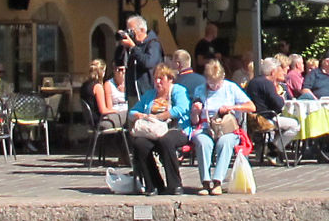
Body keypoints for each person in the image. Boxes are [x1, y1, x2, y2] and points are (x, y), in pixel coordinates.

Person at [189, 59, 254, 194]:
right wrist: (195, 111)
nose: (214, 86)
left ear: (222, 77)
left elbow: (251, 107)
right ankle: (206, 182)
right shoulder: (200, 90)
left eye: (217, 83)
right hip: (206, 127)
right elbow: (194, 121)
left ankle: (218, 181)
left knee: (225, 142)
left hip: (227, 129)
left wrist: (232, 107)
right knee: (202, 142)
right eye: (211, 82)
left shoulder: (231, 88)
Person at [127, 64, 190, 194]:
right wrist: (140, 115)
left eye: (161, 78)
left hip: (175, 129)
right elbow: (132, 112)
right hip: (153, 130)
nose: (157, 82)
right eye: (155, 79)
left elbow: (183, 108)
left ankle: (175, 184)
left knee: (166, 141)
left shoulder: (178, 90)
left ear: (170, 79)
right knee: (140, 143)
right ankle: (154, 185)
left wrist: (160, 116)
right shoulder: (150, 95)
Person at [246, 60, 300, 159]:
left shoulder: (252, 82)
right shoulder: (267, 83)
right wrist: (281, 98)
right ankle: (273, 150)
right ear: (273, 72)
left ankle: (271, 147)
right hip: (266, 119)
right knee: (295, 125)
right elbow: (279, 104)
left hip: (252, 118)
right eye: (279, 70)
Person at [120, 14, 163, 100]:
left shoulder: (153, 44)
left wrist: (133, 47)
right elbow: (119, 62)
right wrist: (122, 47)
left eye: (132, 31)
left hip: (147, 91)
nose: (130, 34)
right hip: (133, 92)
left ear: (142, 30)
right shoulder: (133, 46)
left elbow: (148, 63)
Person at [84, 58, 126, 134]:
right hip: (101, 122)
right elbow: (103, 110)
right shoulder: (98, 87)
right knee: (130, 115)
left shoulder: (85, 85)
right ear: (102, 72)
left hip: (90, 121)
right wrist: (116, 111)